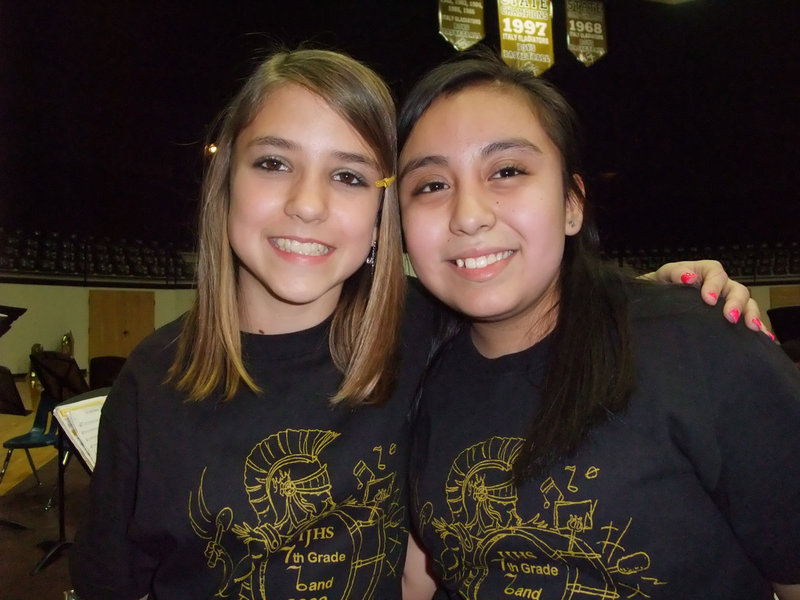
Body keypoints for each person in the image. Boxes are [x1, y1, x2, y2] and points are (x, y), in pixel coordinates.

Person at [69, 47, 764, 600]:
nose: (307, 204)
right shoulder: (153, 380)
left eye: (348, 176)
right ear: (225, 186)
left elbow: (532, 296)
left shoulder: (422, 328)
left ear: (382, 219)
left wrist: (663, 291)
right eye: (274, 163)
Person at [398, 49, 800, 599]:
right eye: (431, 185)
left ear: (572, 204)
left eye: (508, 171)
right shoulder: (416, 377)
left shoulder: (699, 348)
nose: (469, 214)